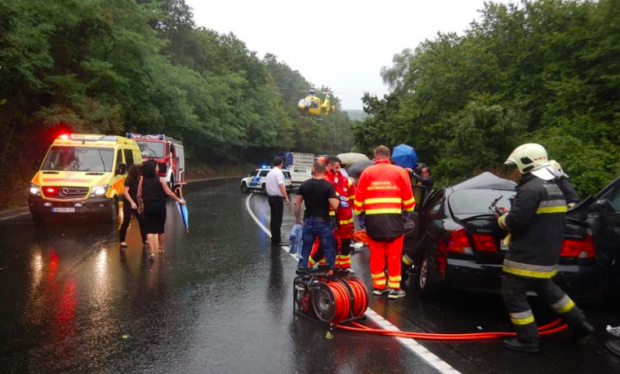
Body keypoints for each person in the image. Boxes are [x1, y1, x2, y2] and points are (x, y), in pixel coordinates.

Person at [498, 143, 593, 353]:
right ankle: (580, 324)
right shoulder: (554, 186)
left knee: (512, 293)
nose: (515, 170)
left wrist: (501, 219)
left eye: (516, 166)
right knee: (550, 291)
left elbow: (516, 220)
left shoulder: (531, 188)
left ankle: (528, 340)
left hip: (526, 255)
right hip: (547, 253)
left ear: (526, 162)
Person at [354, 145, 415, 299]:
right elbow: (409, 200)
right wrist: (406, 209)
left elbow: (359, 199)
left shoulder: (367, 172)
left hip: (373, 222)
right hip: (394, 220)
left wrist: (360, 214)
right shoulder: (400, 172)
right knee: (394, 255)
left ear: (376, 156)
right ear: (389, 156)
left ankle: (379, 287)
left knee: (376, 254)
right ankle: (394, 289)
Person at [308, 156, 356, 271]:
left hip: (345, 219)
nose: (338, 169)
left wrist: (359, 213)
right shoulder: (324, 180)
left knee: (345, 243)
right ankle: (309, 264)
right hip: (328, 218)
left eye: (339, 167)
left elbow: (354, 199)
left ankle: (344, 266)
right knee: (326, 244)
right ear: (328, 166)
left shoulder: (346, 181)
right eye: (335, 166)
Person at [294, 161, 340, 272]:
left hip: (308, 222)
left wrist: (298, 219)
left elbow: (297, 203)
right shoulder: (328, 186)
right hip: (323, 222)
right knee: (328, 248)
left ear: (313, 169)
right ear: (325, 171)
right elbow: (335, 205)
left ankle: (302, 270)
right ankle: (330, 271)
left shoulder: (305, 184)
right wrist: (338, 197)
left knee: (306, 248)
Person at [137, 160, 185, 261]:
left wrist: (140, 205)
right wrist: (179, 200)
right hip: (160, 206)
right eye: (157, 166)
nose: (158, 167)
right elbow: (169, 193)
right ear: (154, 168)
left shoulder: (142, 179)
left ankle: (152, 252)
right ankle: (161, 248)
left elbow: (139, 195)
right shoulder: (161, 179)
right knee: (160, 228)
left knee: (149, 229)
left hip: (148, 206)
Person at [119, 164, 146, 247]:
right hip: (128, 203)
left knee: (142, 220)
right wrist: (131, 202)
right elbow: (125, 192)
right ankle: (122, 240)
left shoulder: (137, 179)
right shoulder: (129, 180)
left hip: (136, 202)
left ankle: (144, 239)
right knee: (126, 221)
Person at [266, 157, 290, 246]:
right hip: (277, 199)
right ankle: (277, 241)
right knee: (278, 220)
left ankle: (274, 237)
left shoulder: (270, 172)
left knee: (273, 219)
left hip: (271, 198)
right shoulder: (279, 173)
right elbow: (281, 186)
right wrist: (286, 197)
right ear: (281, 163)